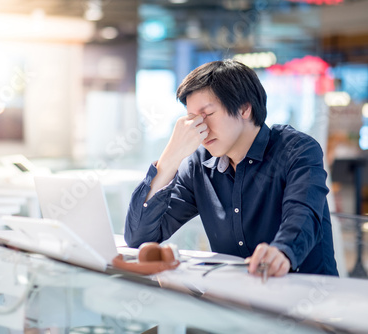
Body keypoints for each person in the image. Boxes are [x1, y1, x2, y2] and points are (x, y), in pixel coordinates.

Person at [125, 59, 338, 277]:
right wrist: (170, 157)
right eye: (192, 118)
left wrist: (281, 252)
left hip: (306, 299)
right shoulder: (200, 165)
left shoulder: (297, 150)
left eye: (207, 114)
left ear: (245, 108)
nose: (201, 128)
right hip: (235, 301)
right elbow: (139, 237)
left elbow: (302, 217)